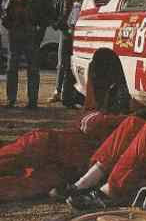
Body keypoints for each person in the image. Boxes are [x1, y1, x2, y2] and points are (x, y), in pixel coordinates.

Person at [0, 84, 130, 202]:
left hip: (68, 171)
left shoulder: (134, 131)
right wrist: (122, 121)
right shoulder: (99, 115)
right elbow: (89, 124)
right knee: (10, 158)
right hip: (49, 145)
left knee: (28, 186)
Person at [2, 0, 56, 109]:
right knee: (11, 68)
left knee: (33, 69)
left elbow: (50, 15)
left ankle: (32, 101)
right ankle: (11, 99)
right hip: (15, 35)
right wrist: (8, 23)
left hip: (32, 36)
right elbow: (7, 12)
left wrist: (40, 30)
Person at [50, 0, 81, 104]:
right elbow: (59, 15)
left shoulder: (85, 2)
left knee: (74, 65)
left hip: (78, 35)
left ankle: (70, 93)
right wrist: (58, 25)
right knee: (62, 63)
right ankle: (57, 91)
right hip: (65, 33)